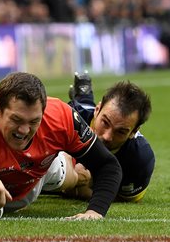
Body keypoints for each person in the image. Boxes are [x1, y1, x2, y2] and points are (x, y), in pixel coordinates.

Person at [0, 72, 153, 204]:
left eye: (34, 121)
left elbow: (108, 168)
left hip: (36, 170)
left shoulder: (59, 116)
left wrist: (94, 209)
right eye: (16, 120)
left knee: (78, 178)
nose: (25, 130)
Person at [60, 72, 154, 202]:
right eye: (105, 123)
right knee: (82, 107)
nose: (107, 136)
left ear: (134, 131)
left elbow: (122, 198)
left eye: (121, 131)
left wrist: (78, 188)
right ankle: (83, 93)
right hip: (83, 113)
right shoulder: (69, 120)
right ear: (98, 110)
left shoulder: (140, 158)